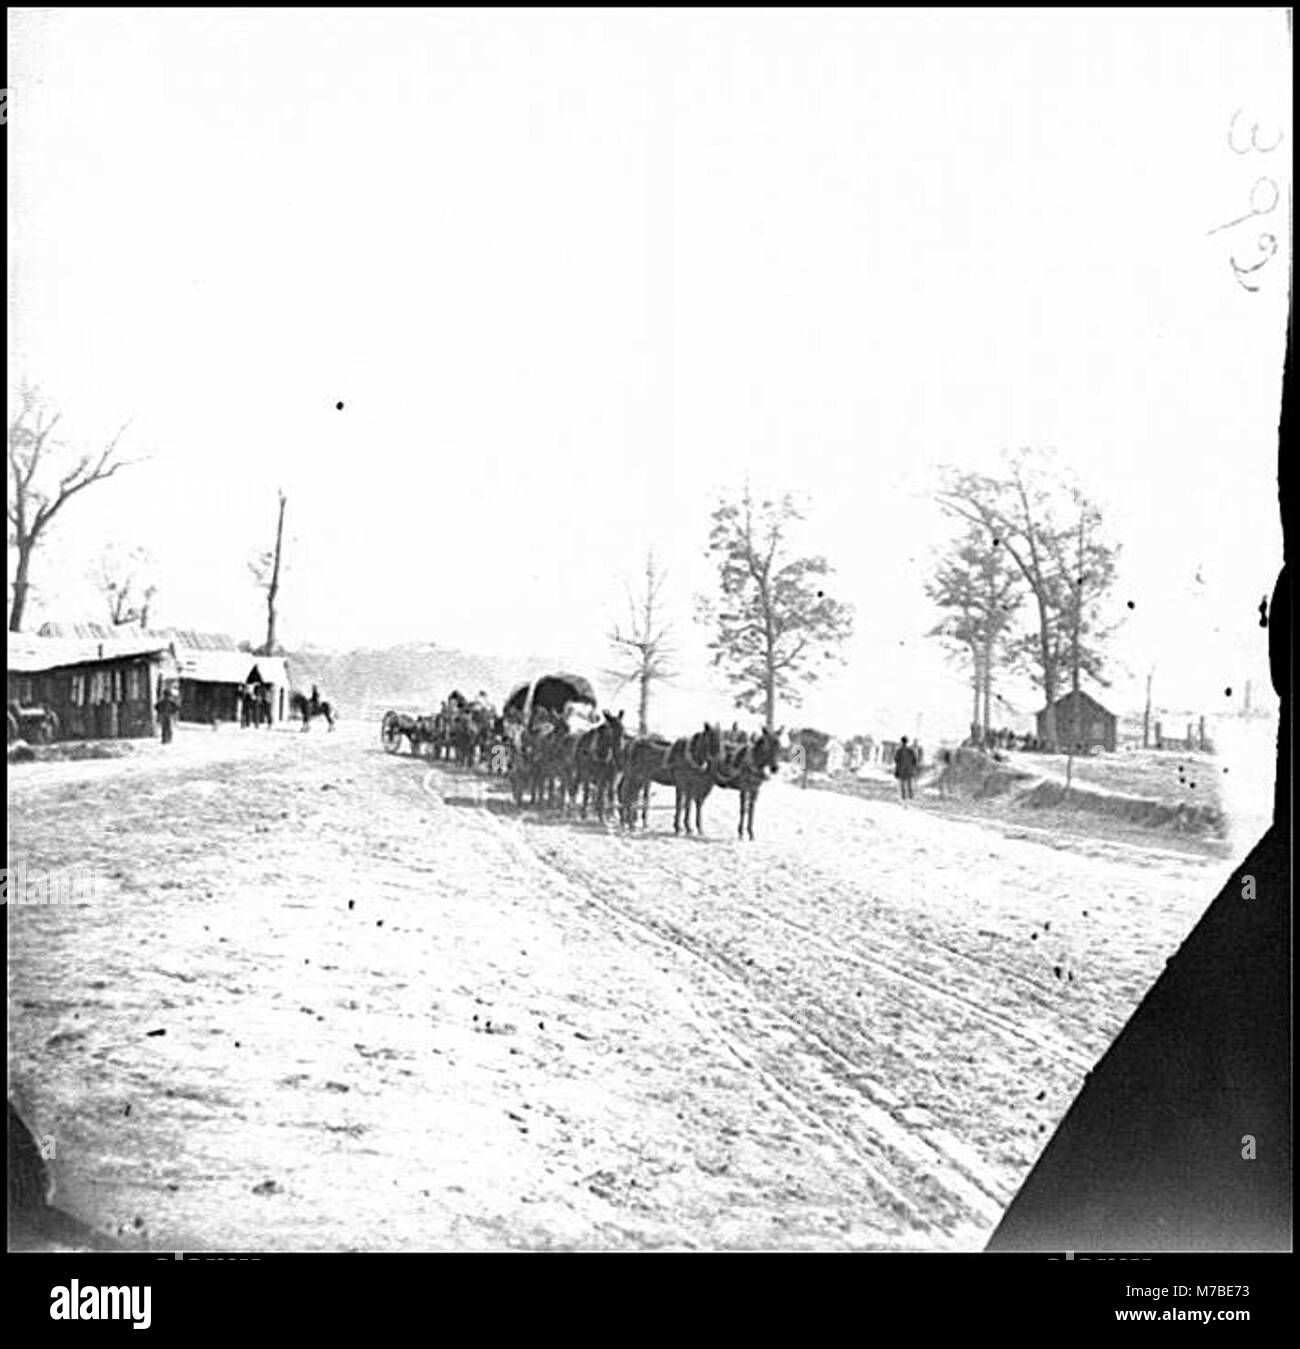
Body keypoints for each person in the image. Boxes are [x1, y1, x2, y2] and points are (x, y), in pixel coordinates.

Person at [893, 735, 918, 802]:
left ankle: (903, 796)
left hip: (901, 770)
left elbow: (896, 760)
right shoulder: (911, 750)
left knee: (902, 783)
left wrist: (896, 771)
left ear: (901, 742)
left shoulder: (899, 751)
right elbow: (915, 760)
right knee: (909, 783)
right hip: (909, 769)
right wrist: (913, 767)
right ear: (907, 742)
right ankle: (910, 795)